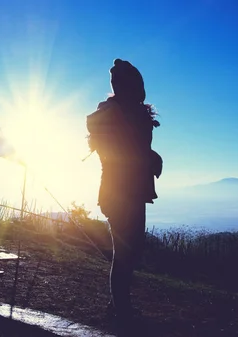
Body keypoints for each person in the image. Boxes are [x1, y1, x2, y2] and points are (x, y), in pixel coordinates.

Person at [86, 59, 161, 331]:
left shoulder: (130, 114)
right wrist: (147, 156)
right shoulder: (113, 114)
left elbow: (132, 148)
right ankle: (120, 309)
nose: (141, 91)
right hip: (119, 191)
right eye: (137, 85)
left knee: (132, 249)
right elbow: (116, 151)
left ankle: (118, 304)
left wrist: (151, 156)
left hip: (133, 189)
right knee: (126, 251)